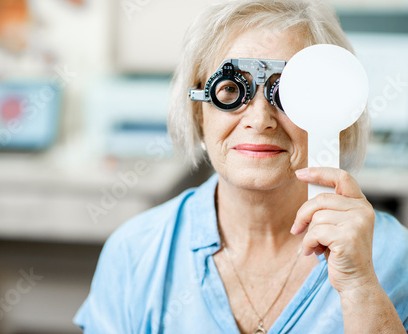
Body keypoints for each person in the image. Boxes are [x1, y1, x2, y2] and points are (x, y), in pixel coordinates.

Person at [74, 0, 408, 333]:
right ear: (197, 112)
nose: (260, 120)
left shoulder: (393, 258)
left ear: (334, 113)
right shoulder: (137, 253)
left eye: (288, 92)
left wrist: (359, 288)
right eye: (232, 90)